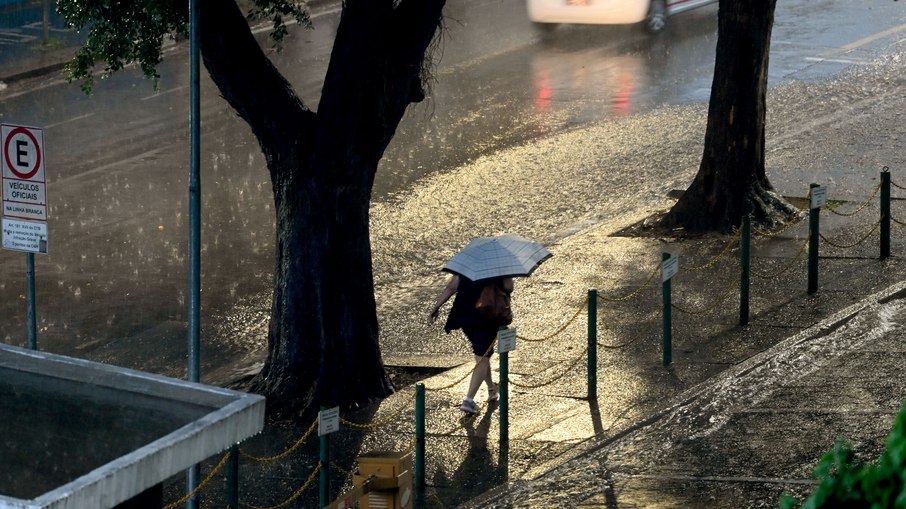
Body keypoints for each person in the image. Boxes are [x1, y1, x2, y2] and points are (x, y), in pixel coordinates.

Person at [428, 274, 514, 415]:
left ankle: (492, 389)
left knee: (482, 356)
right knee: (482, 358)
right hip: (487, 315)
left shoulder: (468, 264)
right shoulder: (498, 265)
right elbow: (509, 287)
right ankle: (468, 401)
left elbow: (451, 287)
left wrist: (436, 306)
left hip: (465, 317)